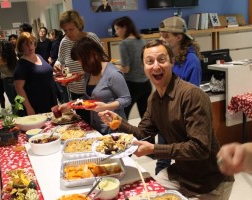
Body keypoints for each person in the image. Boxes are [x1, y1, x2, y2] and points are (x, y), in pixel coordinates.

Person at [99, 40, 234, 199]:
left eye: (161, 60)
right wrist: (119, 123)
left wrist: (154, 149)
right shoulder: (154, 99)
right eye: (149, 61)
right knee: (144, 194)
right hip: (180, 174)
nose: (155, 66)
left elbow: (200, 149)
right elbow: (143, 133)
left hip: (209, 182)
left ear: (172, 62)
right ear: (143, 68)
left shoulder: (192, 95)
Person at [156, 16, 203, 174]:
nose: (160, 39)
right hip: (164, 116)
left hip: (179, 121)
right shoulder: (168, 56)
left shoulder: (192, 61)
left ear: (179, 37)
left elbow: (193, 97)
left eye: (165, 36)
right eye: (160, 34)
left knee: (184, 163)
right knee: (162, 160)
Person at [59, 37, 131, 135]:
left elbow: (126, 99)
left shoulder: (113, 74)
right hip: (96, 125)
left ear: (92, 55)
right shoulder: (89, 72)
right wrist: (70, 104)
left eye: (81, 61)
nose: (80, 64)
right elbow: (88, 98)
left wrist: (107, 106)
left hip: (113, 127)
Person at [54, 10, 102, 123]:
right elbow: (60, 60)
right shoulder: (64, 42)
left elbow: (102, 61)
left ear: (79, 26)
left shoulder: (90, 38)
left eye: (71, 29)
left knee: (96, 123)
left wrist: (85, 74)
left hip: (93, 91)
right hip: (75, 90)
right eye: (65, 30)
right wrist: (57, 65)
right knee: (83, 123)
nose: (68, 33)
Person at [113, 16, 152, 120]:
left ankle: (123, 136)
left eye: (117, 29)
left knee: (122, 116)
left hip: (132, 85)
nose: (116, 33)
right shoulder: (142, 41)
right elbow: (137, 61)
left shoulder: (124, 43)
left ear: (125, 28)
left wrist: (113, 65)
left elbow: (126, 69)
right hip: (146, 84)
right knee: (146, 118)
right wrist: (119, 62)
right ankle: (148, 137)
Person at [14, 32, 57, 116]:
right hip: (36, 104)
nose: (30, 47)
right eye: (26, 45)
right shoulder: (22, 64)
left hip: (49, 99)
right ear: (21, 47)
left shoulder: (39, 56)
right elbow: (18, 88)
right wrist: (28, 108)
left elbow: (44, 73)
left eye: (31, 43)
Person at [0, 40, 17, 106]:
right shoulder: (13, 56)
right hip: (15, 78)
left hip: (7, 80)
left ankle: (17, 114)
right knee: (16, 98)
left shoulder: (2, 59)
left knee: (12, 100)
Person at [48, 29, 69, 103]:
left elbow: (57, 57)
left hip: (58, 68)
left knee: (61, 89)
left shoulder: (56, 43)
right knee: (62, 89)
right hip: (61, 67)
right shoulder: (61, 42)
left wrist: (51, 60)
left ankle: (65, 103)